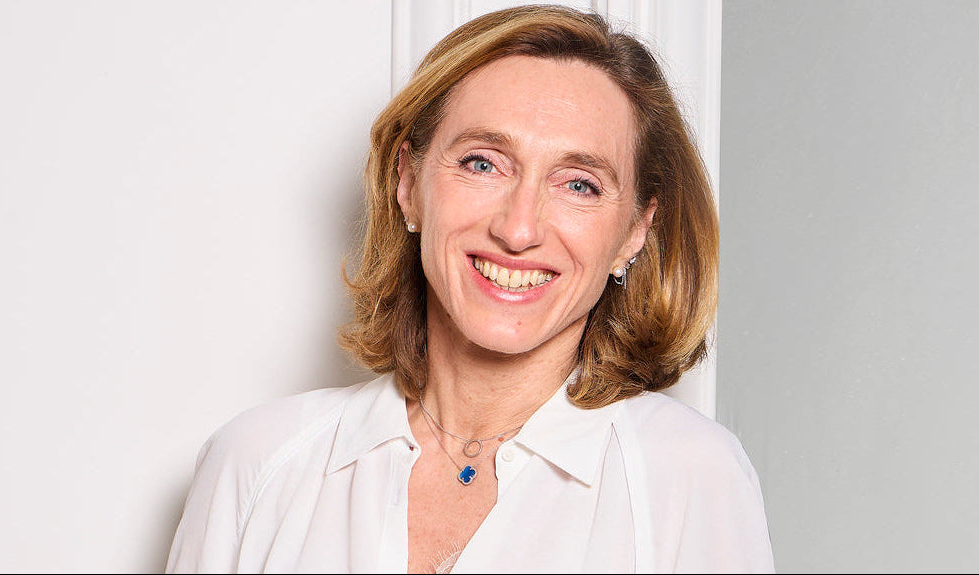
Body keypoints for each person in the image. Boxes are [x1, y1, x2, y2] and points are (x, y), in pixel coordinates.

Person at [166, 5, 773, 573]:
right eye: (483, 163)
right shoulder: (256, 462)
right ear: (409, 185)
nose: (518, 229)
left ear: (635, 230)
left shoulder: (690, 479)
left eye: (579, 184)